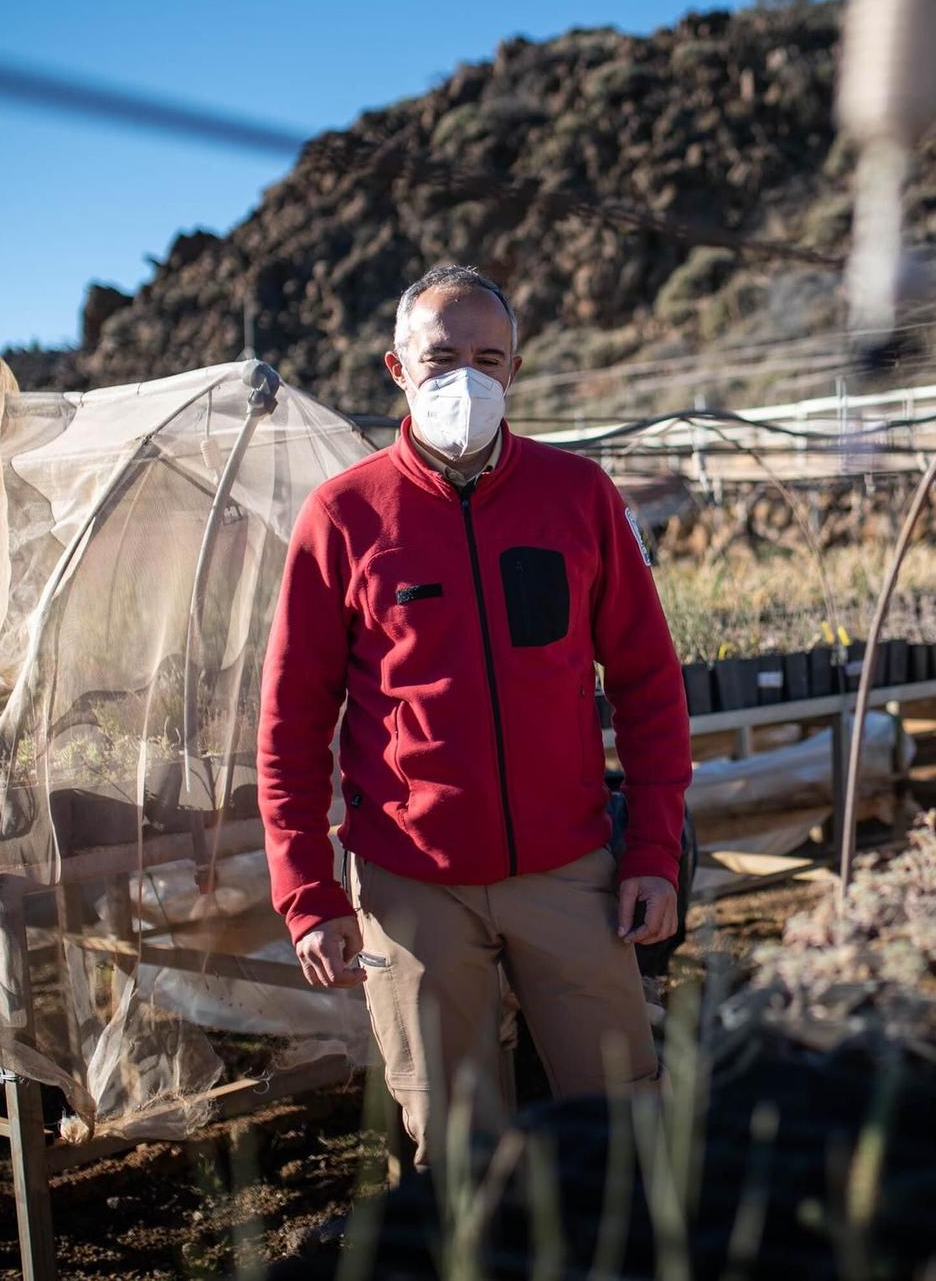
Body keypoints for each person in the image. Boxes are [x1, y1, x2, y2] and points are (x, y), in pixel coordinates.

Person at [258, 264, 691, 1167]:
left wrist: (650, 851)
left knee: (622, 1120)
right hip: (413, 886)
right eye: (443, 356)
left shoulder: (577, 496)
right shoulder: (343, 516)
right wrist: (308, 895)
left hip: (571, 868)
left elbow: (649, 684)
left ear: (517, 371)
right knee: (458, 1144)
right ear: (396, 369)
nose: (468, 378)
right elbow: (291, 725)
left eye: (488, 358)